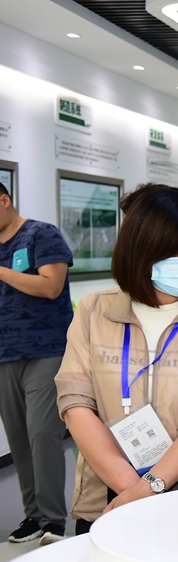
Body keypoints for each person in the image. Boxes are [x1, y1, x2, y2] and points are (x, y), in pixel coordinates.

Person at [56, 184, 178, 534]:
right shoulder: (94, 311)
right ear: (141, 251)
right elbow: (75, 403)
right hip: (107, 496)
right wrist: (132, 489)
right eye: (173, 253)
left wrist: (151, 487)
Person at [0, 181, 72, 545]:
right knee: (18, 438)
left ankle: (53, 520)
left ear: (4, 200)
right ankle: (33, 516)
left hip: (46, 349)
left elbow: (50, 287)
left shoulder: (41, 234)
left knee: (43, 433)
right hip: (4, 354)